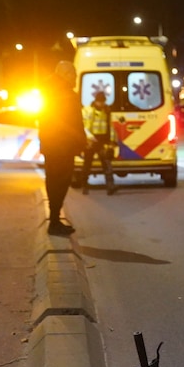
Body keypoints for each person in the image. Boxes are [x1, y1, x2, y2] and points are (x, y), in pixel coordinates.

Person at [38, 61, 87, 236]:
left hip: (51, 146)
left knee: (53, 181)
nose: (75, 78)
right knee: (61, 182)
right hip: (63, 147)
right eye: (73, 74)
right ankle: (54, 222)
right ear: (65, 74)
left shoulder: (47, 92)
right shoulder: (67, 94)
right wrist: (81, 143)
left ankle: (54, 219)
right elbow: (74, 123)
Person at [81, 89, 116, 195]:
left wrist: (112, 141)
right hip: (91, 141)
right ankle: (85, 185)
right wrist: (90, 137)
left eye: (103, 101)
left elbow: (111, 127)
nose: (101, 104)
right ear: (95, 101)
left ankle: (110, 186)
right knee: (87, 164)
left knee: (107, 164)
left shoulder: (107, 110)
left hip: (102, 141)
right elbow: (84, 127)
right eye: (100, 101)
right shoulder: (88, 110)